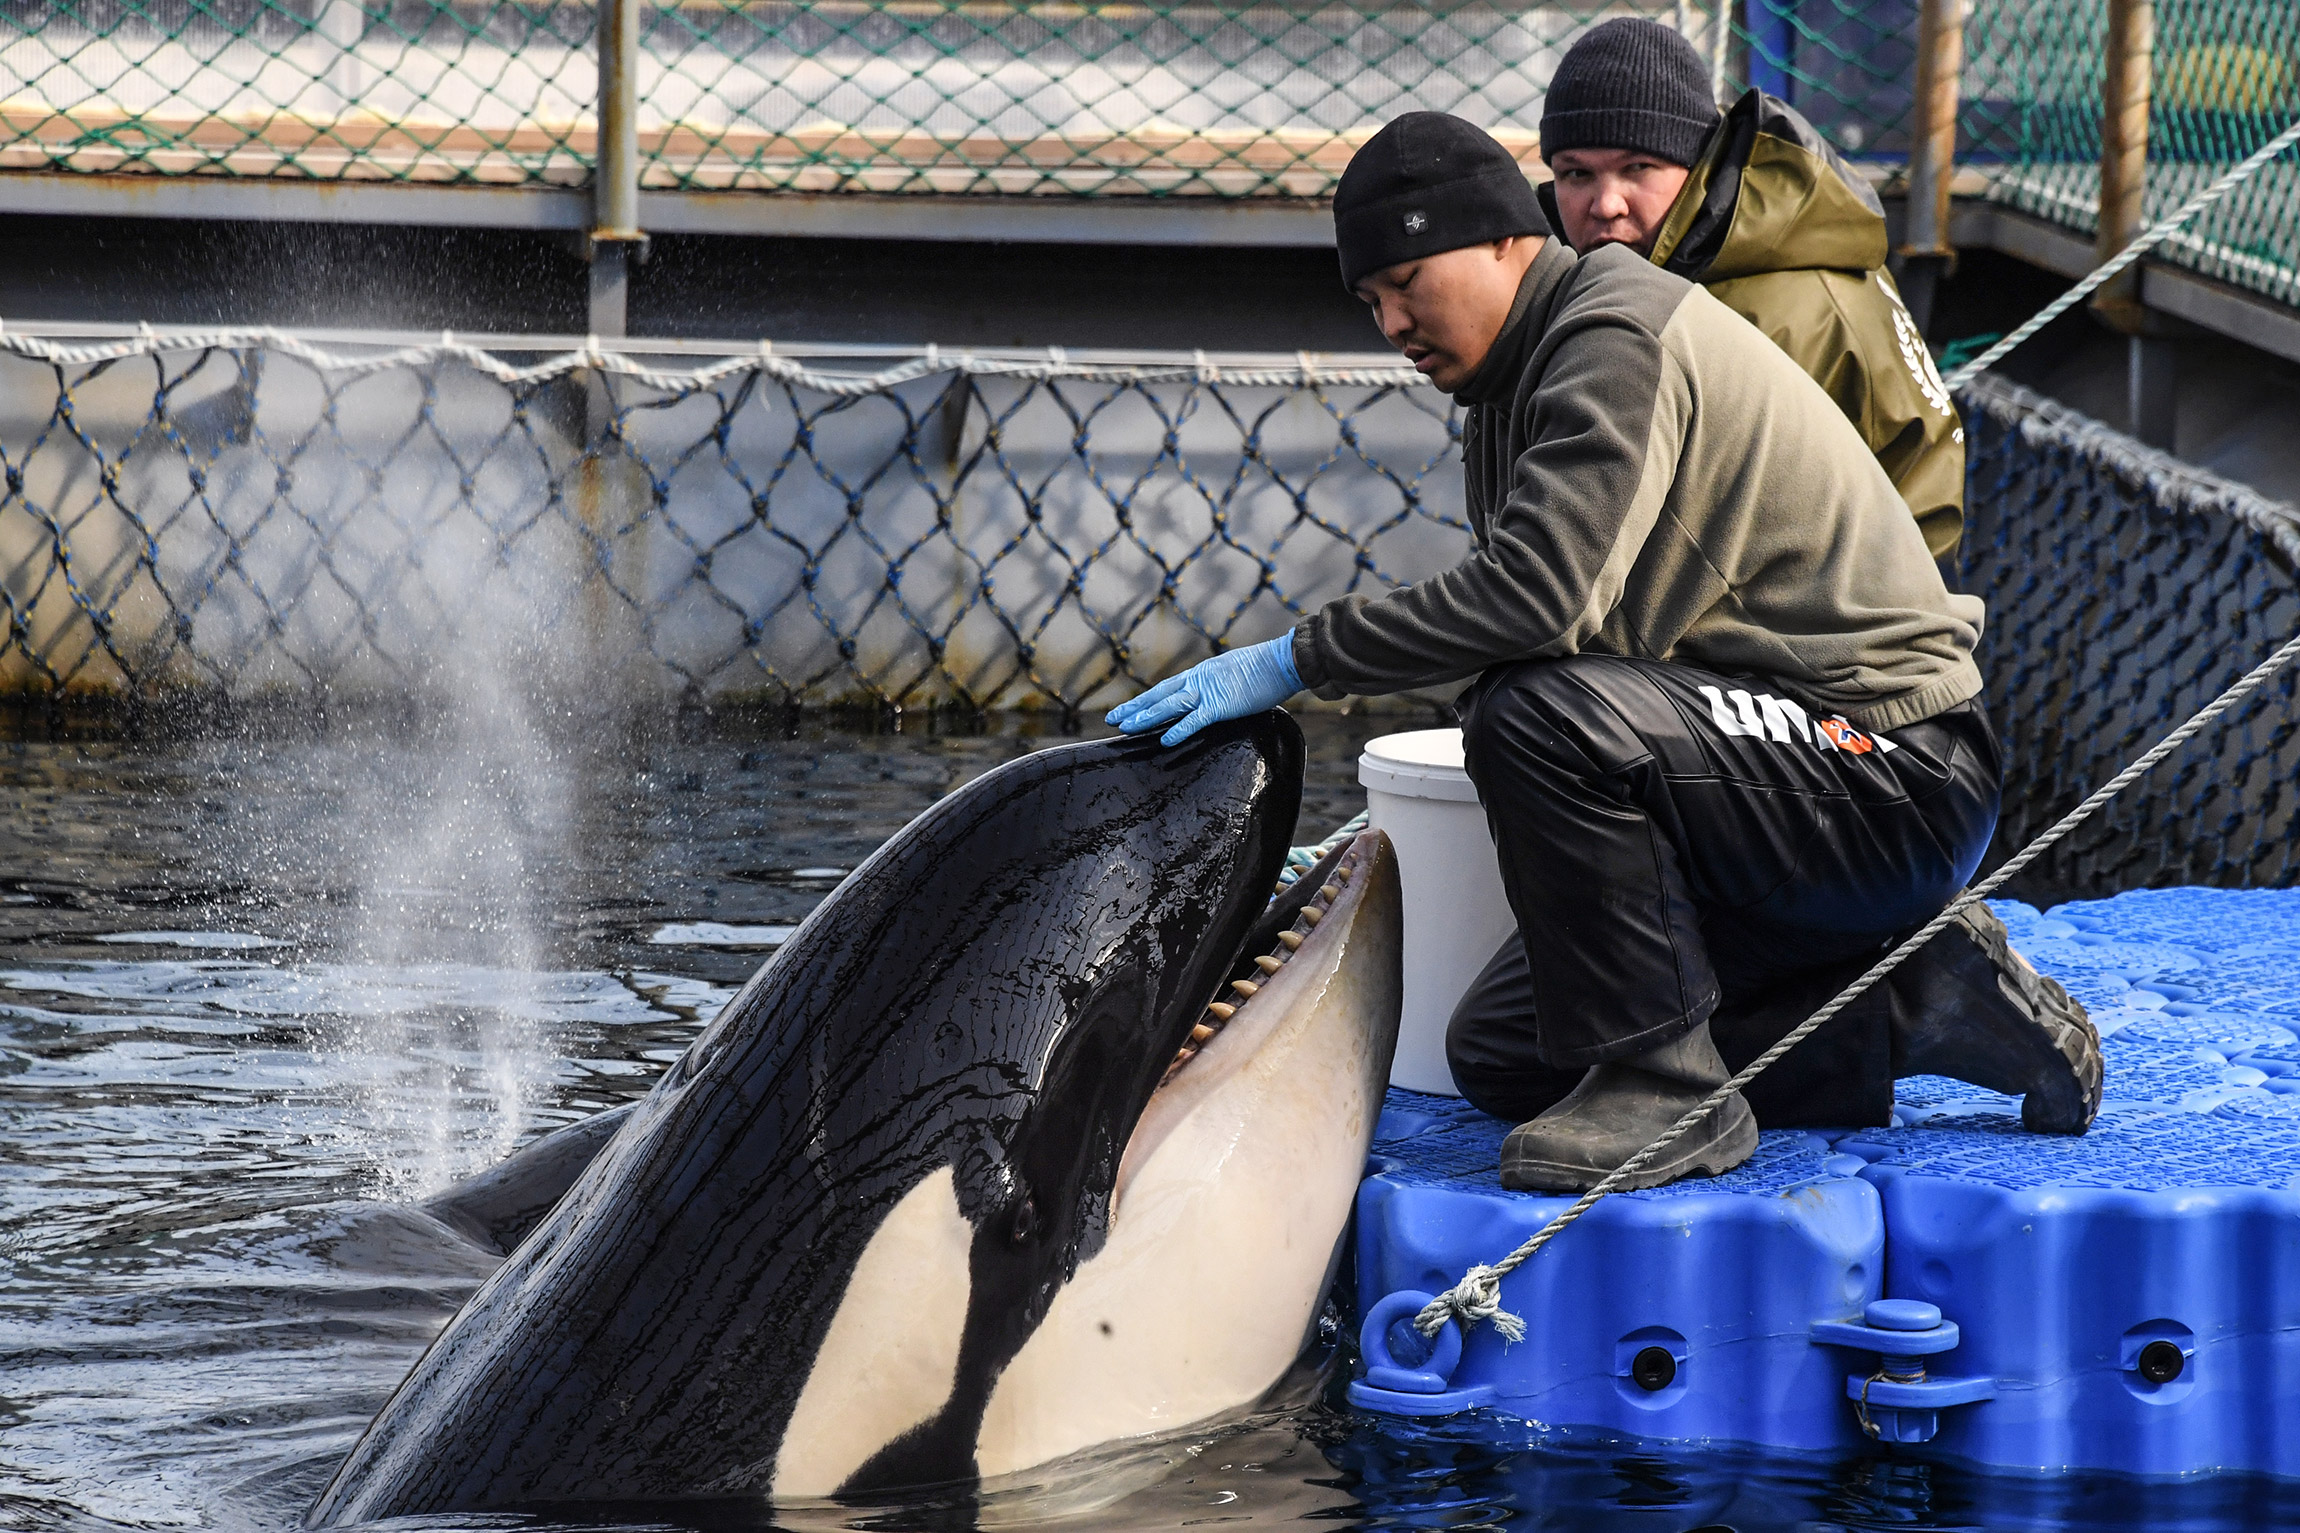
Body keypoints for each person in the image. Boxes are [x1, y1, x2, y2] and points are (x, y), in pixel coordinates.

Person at [1106, 111, 2100, 1194]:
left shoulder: (1610, 333)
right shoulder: (1506, 380)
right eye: (1368, 300)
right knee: (1499, 1055)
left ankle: (1670, 1097)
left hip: (1891, 773)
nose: (1390, 319)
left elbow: (1538, 602)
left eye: (1406, 279)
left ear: (1502, 240)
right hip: (1766, 772)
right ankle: (1918, 1007)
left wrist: (1296, 659)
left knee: (1532, 709)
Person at [1535, 18, 1965, 560]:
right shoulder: (1593, 281)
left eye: (1638, 167)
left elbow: (1915, 519)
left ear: (1696, 166)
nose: (1606, 204)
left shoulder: (1790, 308)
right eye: (1576, 174)